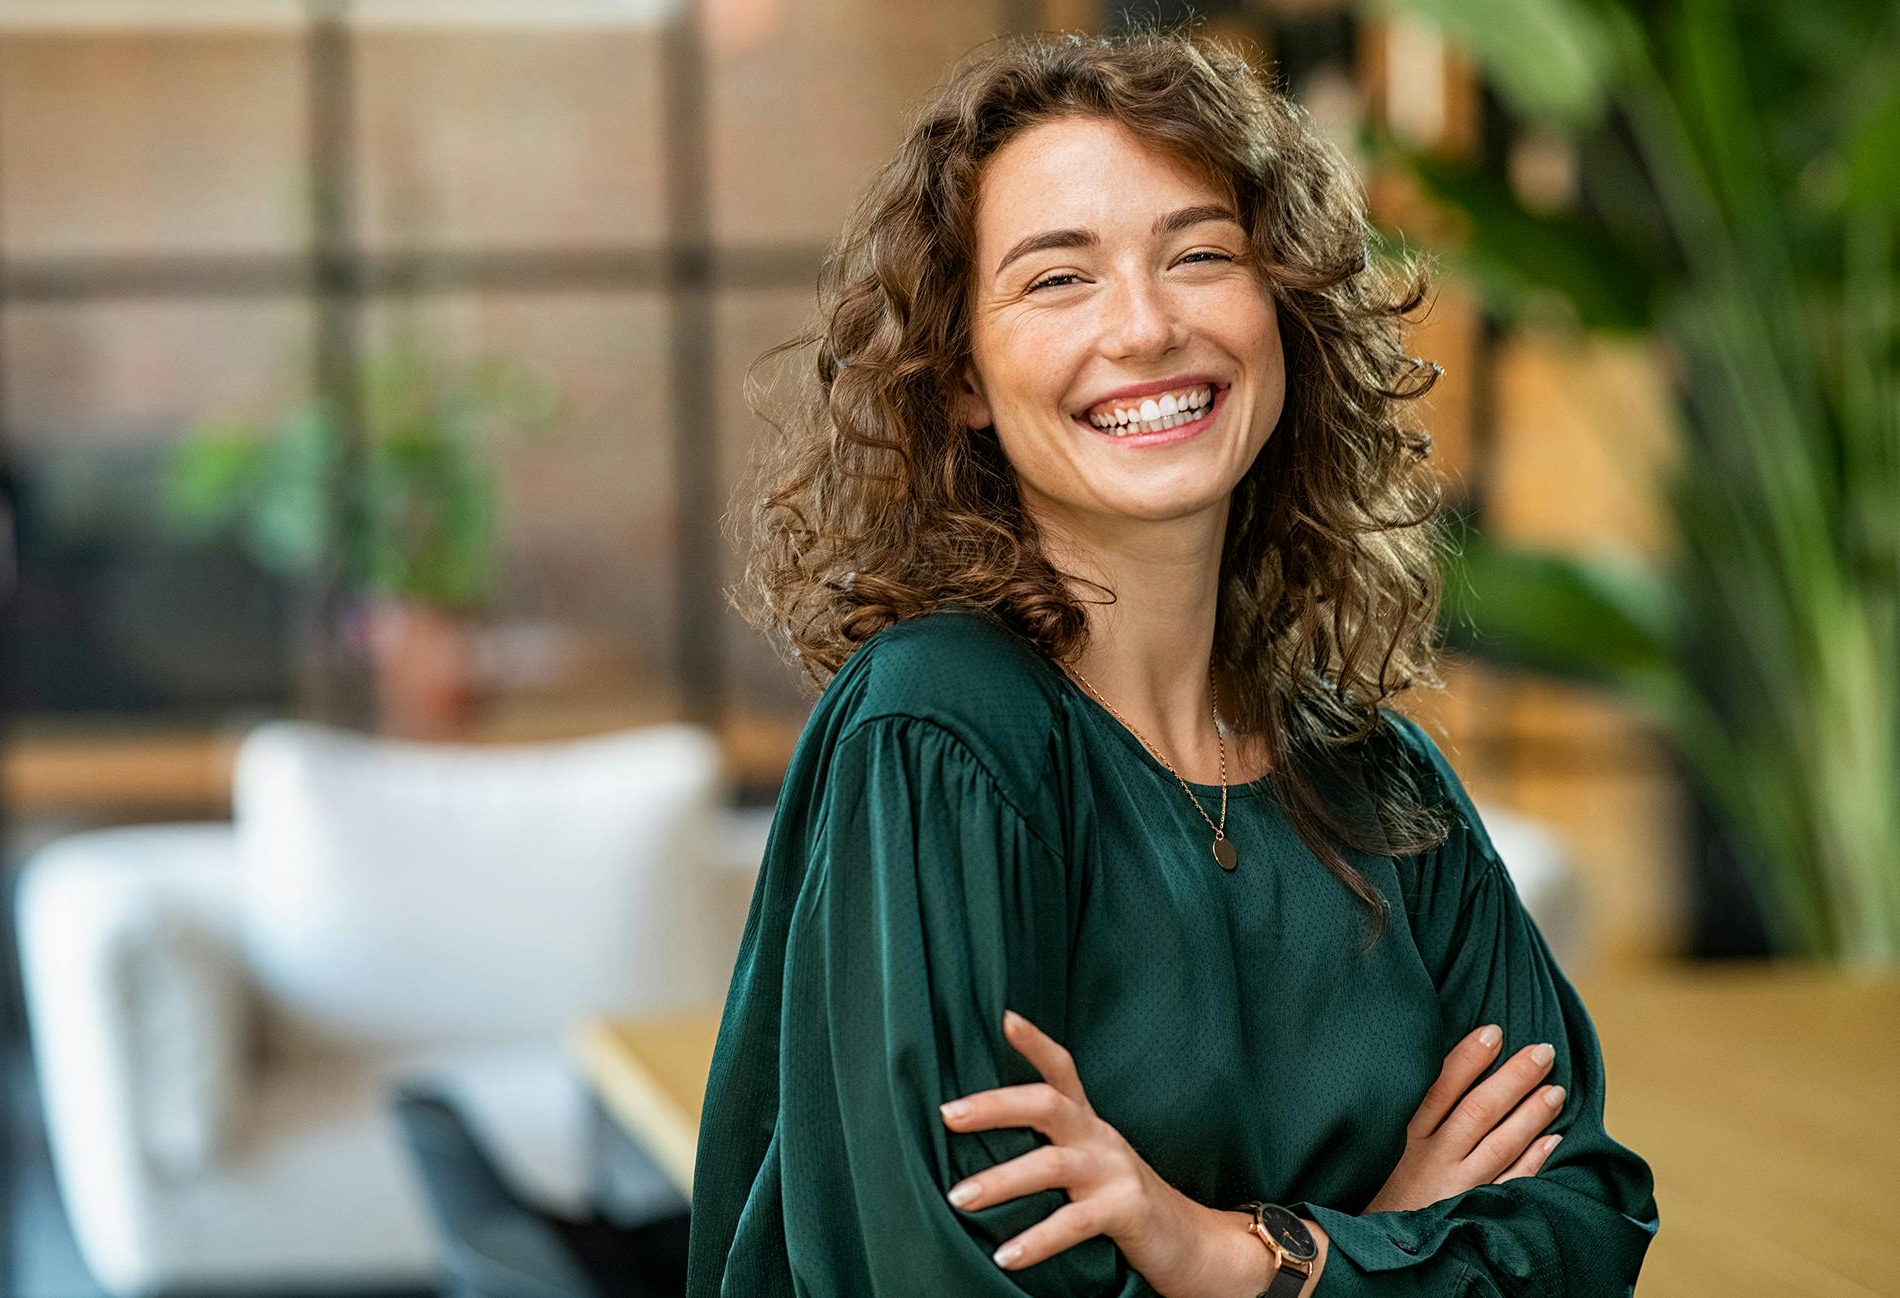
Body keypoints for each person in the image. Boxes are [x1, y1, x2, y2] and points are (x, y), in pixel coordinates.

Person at [687, 26, 1658, 1298]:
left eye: (1200, 255)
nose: (1145, 327)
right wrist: (1381, 1238)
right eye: (1056, 279)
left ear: (1282, 311)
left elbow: (1581, 1224)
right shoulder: (940, 732)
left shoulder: (1379, 780)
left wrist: (1232, 1251)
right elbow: (952, 1274)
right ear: (962, 374)